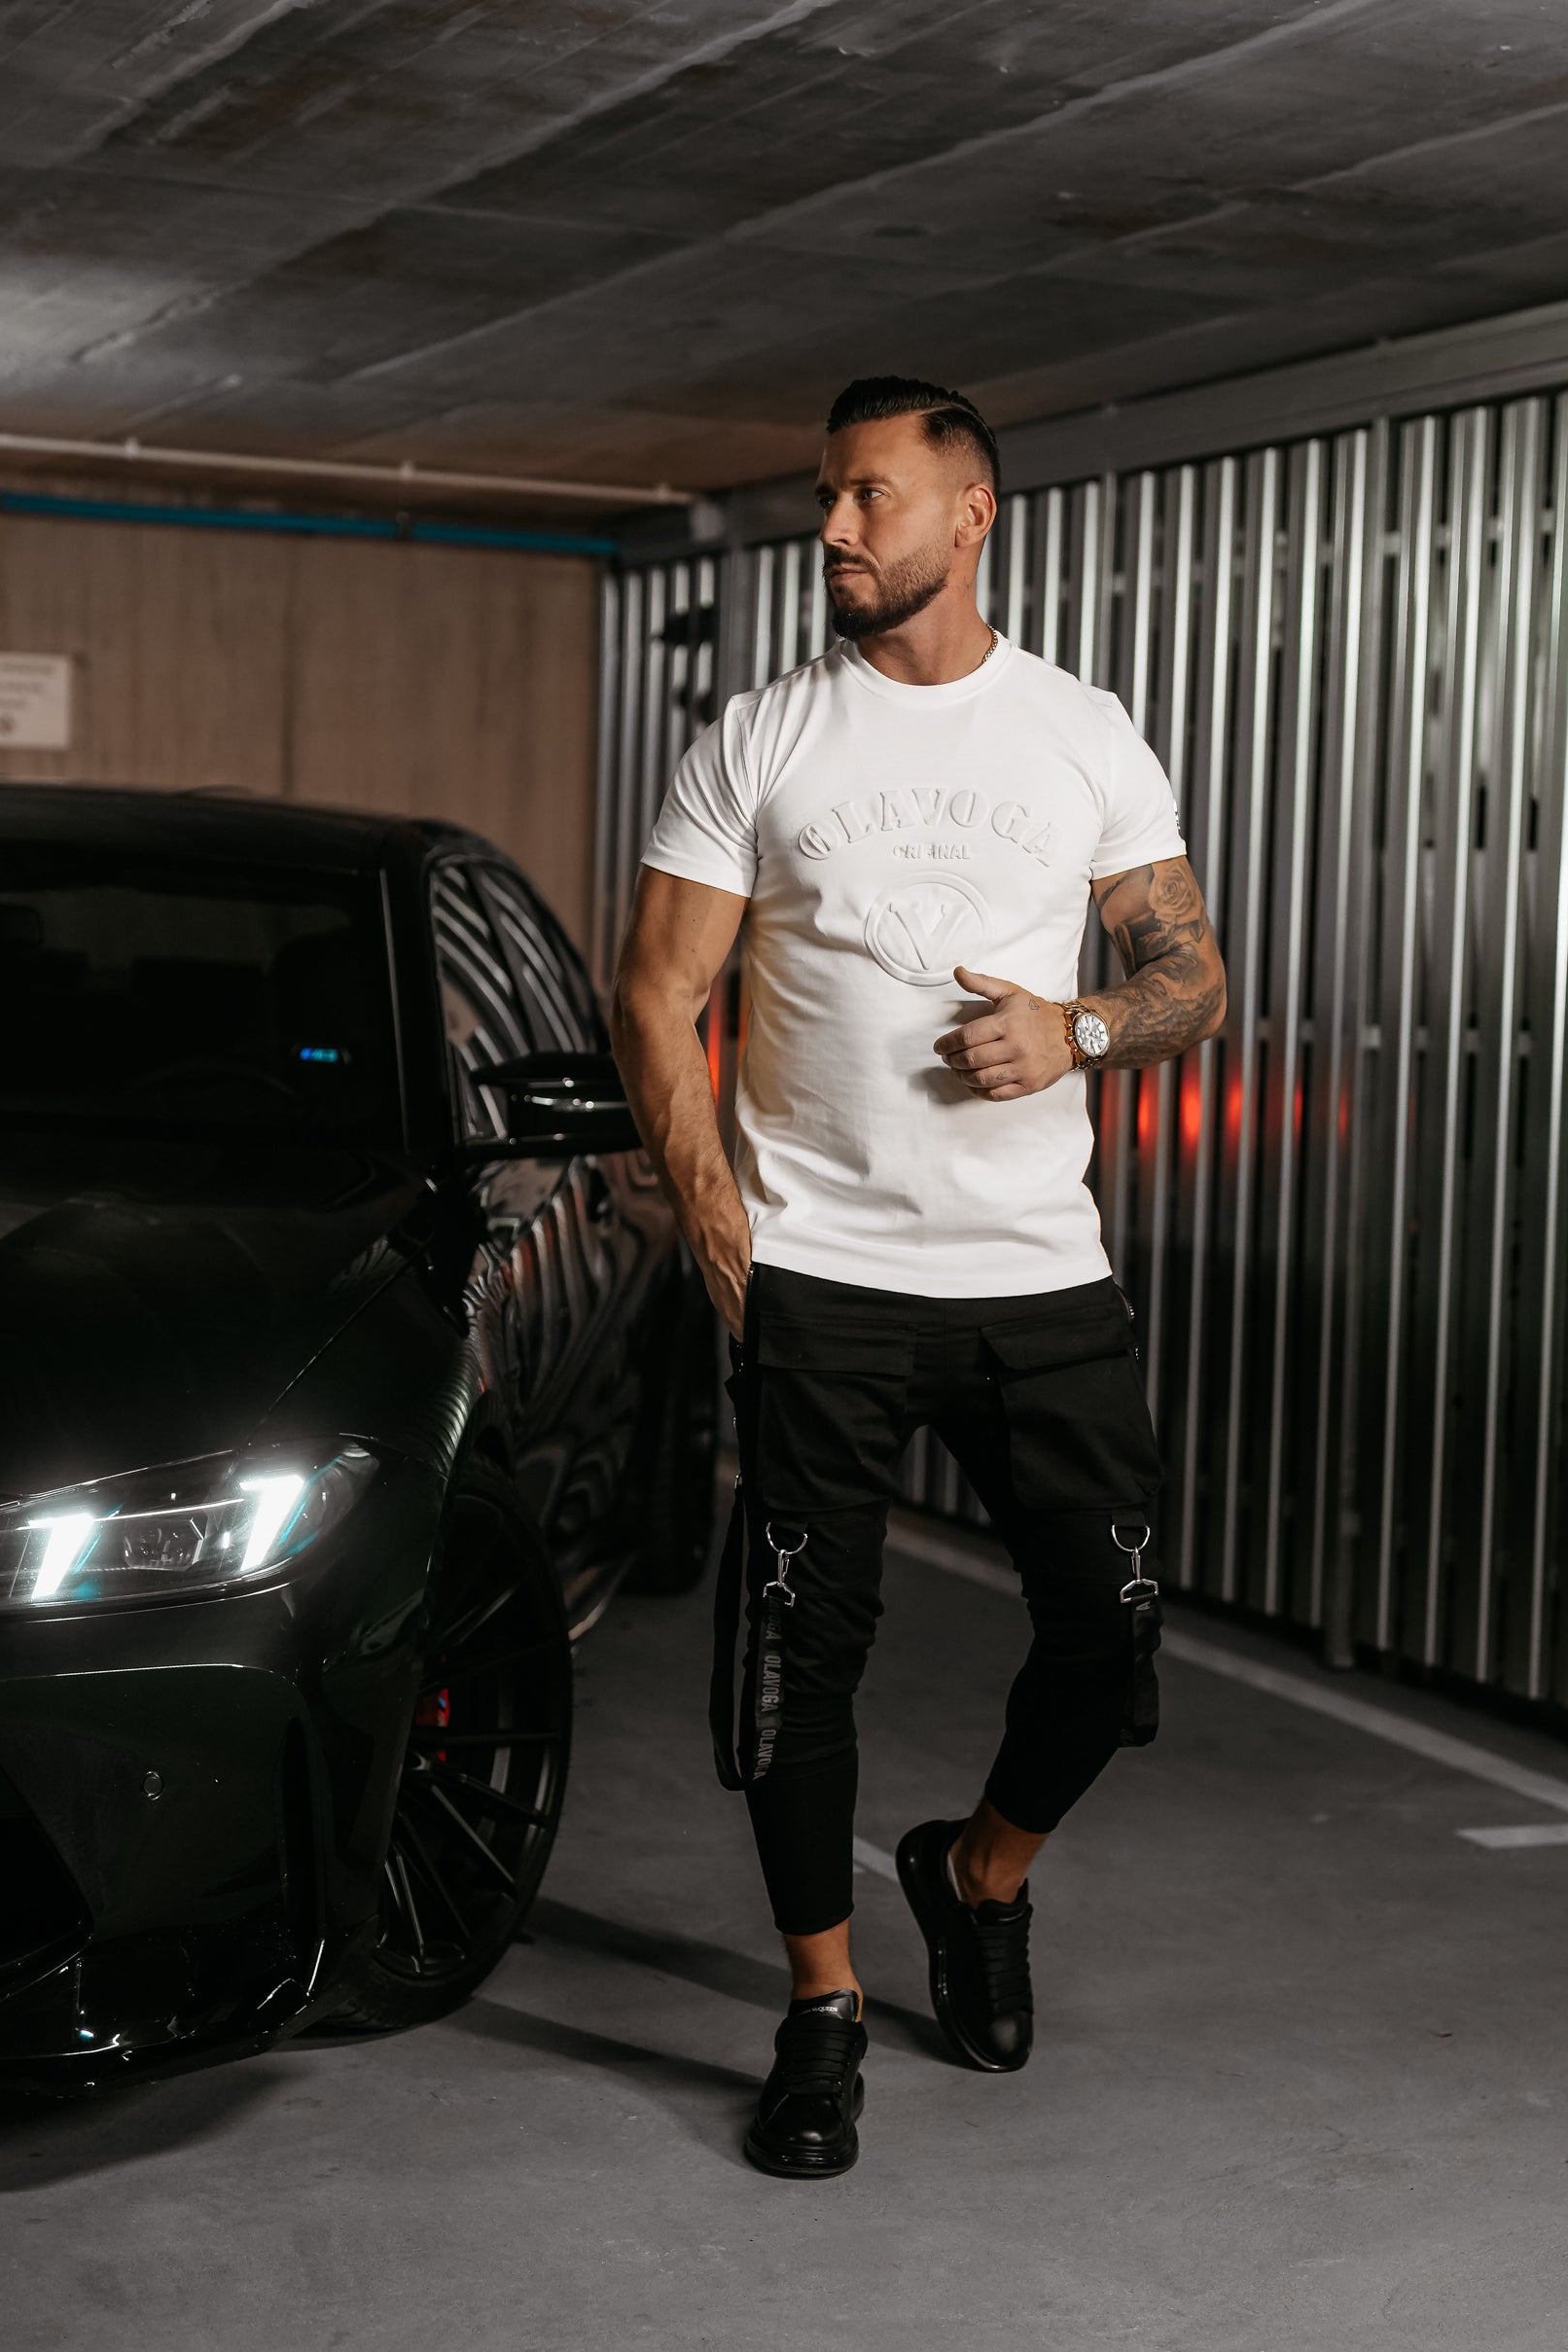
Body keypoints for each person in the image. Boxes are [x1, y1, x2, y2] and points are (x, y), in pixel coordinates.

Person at [610, 375, 1227, 2179]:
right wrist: (719, 1222)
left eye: (867, 496)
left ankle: (975, 1874)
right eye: (828, 495)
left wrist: (1079, 1027)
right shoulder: (759, 737)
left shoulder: (1081, 732)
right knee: (793, 1663)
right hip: (825, 1271)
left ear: (969, 515)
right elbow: (657, 991)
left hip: (1038, 1273)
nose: (832, 527)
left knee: (1109, 1630)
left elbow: (1190, 978)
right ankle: (821, 2010)